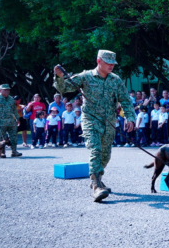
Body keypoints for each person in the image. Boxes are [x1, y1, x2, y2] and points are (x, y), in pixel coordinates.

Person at [54, 50, 135, 202]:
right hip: (90, 120)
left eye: (113, 63)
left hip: (109, 121)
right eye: (108, 63)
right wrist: (59, 78)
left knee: (105, 154)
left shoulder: (115, 80)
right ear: (99, 61)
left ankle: (98, 178)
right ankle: (96, 185)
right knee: (96, 149)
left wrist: (130, 117)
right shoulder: (85, 76)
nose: (111, 66)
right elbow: (64, 89)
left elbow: (125, 100)